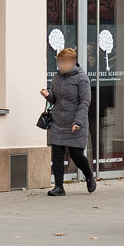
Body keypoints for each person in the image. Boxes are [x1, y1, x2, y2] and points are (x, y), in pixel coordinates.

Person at [41, 48, 95, 196]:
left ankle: (89, 175)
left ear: (72, 63)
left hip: (75, 122)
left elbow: (85, 102)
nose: (60, 65)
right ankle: (59, 187)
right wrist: (48, 95)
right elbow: (55, 99)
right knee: (57, 153)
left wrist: (78, 121)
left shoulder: (82, 78)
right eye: (59, 62)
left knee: (76, 154)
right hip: (58, 121)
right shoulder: (56, 78)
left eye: (64, 62)